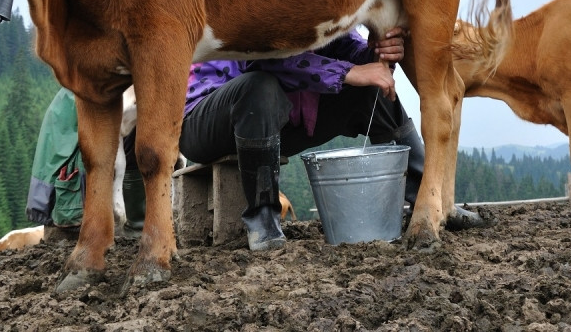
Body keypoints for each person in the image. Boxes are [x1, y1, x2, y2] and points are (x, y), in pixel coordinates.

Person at [179, 27, 485, 251]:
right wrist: (350, 71)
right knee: (258, 87)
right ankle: (263, 220)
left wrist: (376, 53)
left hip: (272, 121)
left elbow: (345, 46)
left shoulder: (320, 5)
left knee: (369, 91)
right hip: (202, 119)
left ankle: (427, 197)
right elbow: (265, 62)